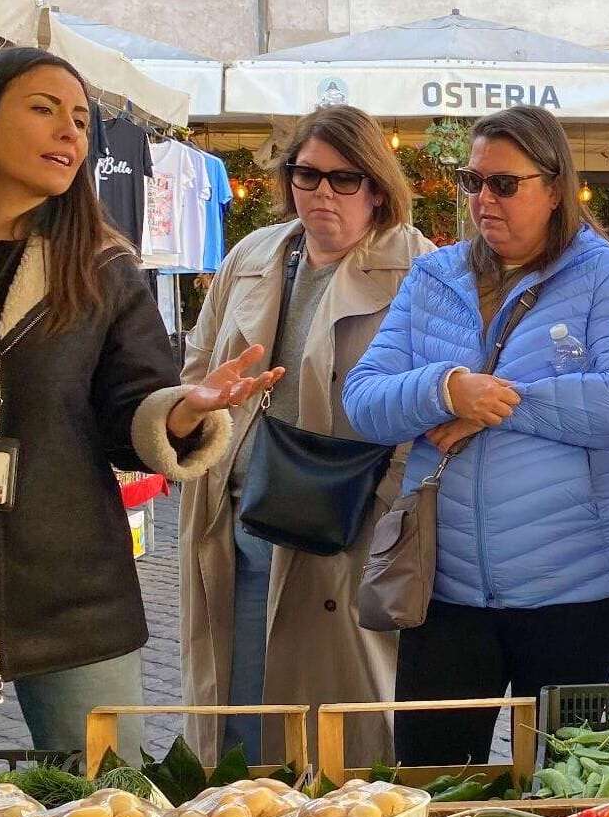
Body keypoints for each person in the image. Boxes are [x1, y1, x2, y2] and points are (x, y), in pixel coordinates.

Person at [0, 47, 270, 760]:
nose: (71, 132)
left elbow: (134, 407)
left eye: (82, 120)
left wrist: (182, 412)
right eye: (44, 109)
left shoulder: (100, 263)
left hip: (80, 594)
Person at [343, 105, 609, 765]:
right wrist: (444, 389)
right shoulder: (434, 277)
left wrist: (496, 405)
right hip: (447, 584)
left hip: (580, 585)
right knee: (430, 775)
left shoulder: (604, 275)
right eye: (472, 181)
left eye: (503, 183)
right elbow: (363, 401)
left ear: (553, 188)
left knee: (565, 781)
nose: (483, 199)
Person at [179, 105, 433, 767]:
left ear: (376, 184)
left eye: (344, 178)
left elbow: (436, 408)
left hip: (351, 524)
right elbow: (197, 369)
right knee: (244, 706)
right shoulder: (253, 255)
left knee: (340, 729)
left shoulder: (418, 266)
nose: (322, 192)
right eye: (306, 174)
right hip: (245, 513)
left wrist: (388, 508)